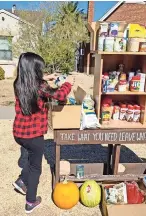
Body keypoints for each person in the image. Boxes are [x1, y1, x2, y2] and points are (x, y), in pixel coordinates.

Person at [12, 52, 73, 214]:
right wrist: (68, 84)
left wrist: (48, 77)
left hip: (19, 134)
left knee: (31, 159)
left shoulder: (18, 83)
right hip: (33, 136)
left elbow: (35, 83)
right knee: (35, 168)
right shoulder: (40, 86)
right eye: (40, 69)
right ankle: (31, 201)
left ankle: (21, 181)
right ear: (35, 70)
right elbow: (60, 96)